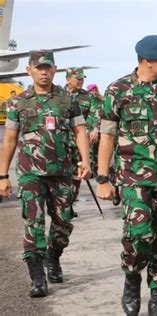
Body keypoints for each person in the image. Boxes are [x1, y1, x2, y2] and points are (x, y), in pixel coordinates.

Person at [95, 35, 157, 316]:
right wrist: (102, 178)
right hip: (133, 179)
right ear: (147, 61)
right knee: (138, 237)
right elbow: (106, 136)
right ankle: (131, 278)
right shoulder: (118, 90)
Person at [0, 50, 90, 297]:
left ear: (54, 70)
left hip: (62, 173)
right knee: (34, 224)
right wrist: (3, 176)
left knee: (63, 223)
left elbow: (80, 131)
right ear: (29, 70)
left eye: (47, 67)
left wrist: (85, 160)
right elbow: (9, 140)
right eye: (38, 67)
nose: (43, 72)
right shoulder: (18, 102)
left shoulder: (67, 100)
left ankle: (54, 256)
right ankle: (37, 277)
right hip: (30, 174)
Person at [64, 68, 94, 214]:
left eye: (82, 79)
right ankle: (62, 204)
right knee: (62, 175)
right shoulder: (59, 96)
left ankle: (69, 205)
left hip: (79, 142)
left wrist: (93, 129)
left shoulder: (88, 97)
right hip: (62, 143)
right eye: (78, 79)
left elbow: (95, 114)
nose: (81, 81)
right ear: (68, 79)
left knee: (77, 175)